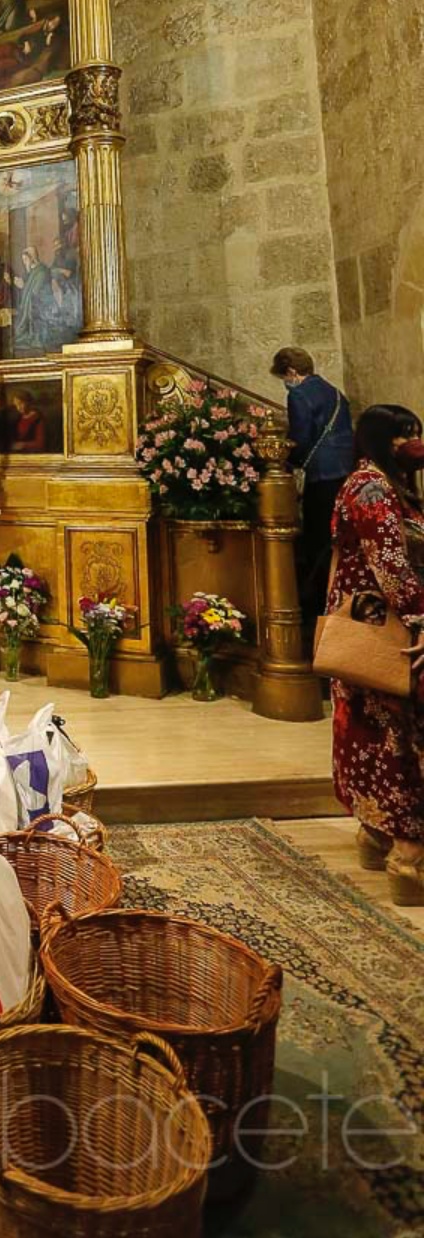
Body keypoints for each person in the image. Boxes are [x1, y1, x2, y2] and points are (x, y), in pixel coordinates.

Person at [325, 404, 424, 905]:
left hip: (374, 624)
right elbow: (389, 564)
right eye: (406, 435)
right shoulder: (371, 489)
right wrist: (420, 616)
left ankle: (377, 836)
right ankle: (409, 855)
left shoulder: (388, 485)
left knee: (375, 731)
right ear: (383, 440)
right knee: (396, 735)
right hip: (382, 629)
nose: (414, 443)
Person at [271, 346, 355, 625]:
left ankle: (317, 604)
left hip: (322, 471)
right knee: (338, 534)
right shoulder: (332, 391)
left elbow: (302, 436)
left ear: (292, 372)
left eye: (284, 375)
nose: (286, 381)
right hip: (345, 468)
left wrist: (288, 459)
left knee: (317, 536)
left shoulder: (299, 394)